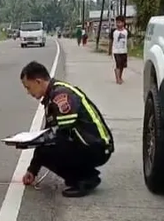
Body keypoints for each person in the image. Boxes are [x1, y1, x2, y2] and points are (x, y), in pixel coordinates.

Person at [20, 61, 114, 197]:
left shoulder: (60, 95)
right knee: (45, 146)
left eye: (28, 87)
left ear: (38, 81)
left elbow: (61, 133)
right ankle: (82, 176)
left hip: (97, 146)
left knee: (49, 147)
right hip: (90, 144)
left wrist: (32, 143)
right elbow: (49, 132)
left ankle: (86, 179)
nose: (28, 92)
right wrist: (32, 170)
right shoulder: (52, 95)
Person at [108, 15, 131, 85]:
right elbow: (111, 41)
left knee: (122, 66)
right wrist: (109, 50)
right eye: (117, 22)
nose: (118, 24)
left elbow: (129, 41)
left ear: (123, 23)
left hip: (124, 51)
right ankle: (118, 79)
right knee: (118, 64)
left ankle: (120, 77)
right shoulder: (113, 32)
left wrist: (130, 48)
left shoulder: (126, 32)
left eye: (120, 22)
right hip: (116, 51)